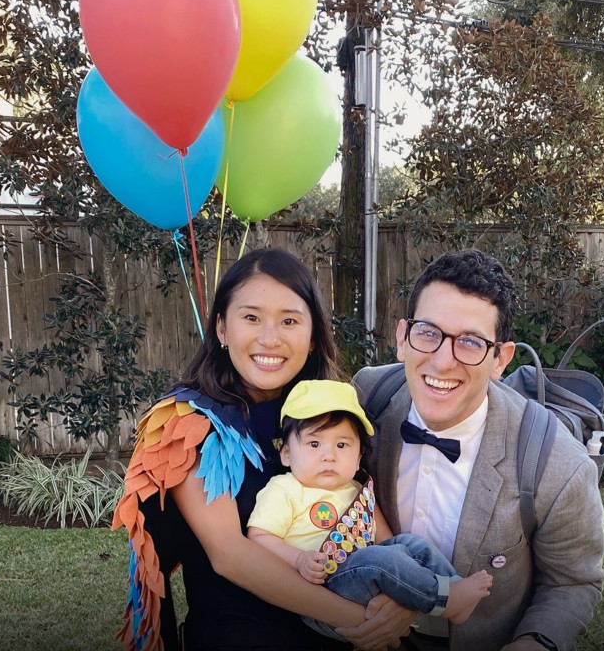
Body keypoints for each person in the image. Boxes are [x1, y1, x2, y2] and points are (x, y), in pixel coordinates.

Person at [112, 248, 413, 651]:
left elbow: (362, 500)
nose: (270, 338)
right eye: (251, 317)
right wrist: (361, 623)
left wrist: (397, 598)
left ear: (312, 337)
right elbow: (231, 555)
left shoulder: (329, 409)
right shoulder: (191, 422)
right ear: (221, 328)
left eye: (289, 320)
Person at [352, 248, 604, 651]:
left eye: (470, 342)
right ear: (402, 337)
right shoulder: (366, 399)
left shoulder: (556, 463)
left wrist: (533, 643)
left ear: (500, 359)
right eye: (427, 332)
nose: (441, 361)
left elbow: (572, 582)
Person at [247, 379, 493, 641]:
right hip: (326, 593)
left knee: (409, 544)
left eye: (342, 445)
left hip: (369, 577)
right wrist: (298, 559)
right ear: (286, 453)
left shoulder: (357, 489)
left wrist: (397, 568)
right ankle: (442, 599)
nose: (328, 456)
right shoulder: (285, 489)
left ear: (358, 457)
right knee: (377, 558)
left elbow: (387, 542)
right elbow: (259, 537)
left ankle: (452, 586)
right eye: (314, 444)